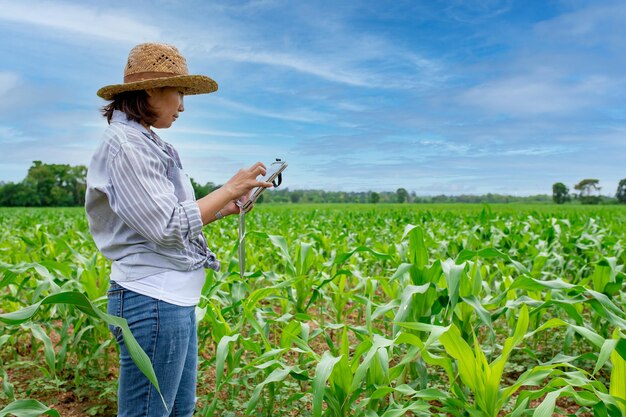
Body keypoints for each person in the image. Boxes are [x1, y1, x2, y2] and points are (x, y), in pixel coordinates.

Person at [85, 42, 272, 417]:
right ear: (151, 89)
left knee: (178, 411)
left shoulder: (149, 142)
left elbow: (169, 216)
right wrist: (227, 188)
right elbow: (168, 226)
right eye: (180, 92)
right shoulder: (126, 146)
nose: (183, 106)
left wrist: (225, 207)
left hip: (171, 302)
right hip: (152, 300)